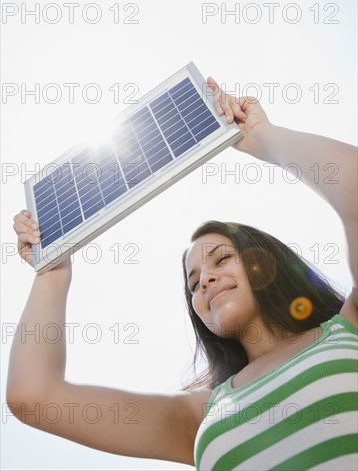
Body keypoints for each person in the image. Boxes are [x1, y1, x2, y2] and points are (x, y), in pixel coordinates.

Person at [8, 78, 358, 470]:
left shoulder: (349, 330)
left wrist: (263, 136)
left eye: (221, 259)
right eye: (193, 282)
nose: (204, 279)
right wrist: (52, 269)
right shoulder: (201, 415)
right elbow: (34, 396)